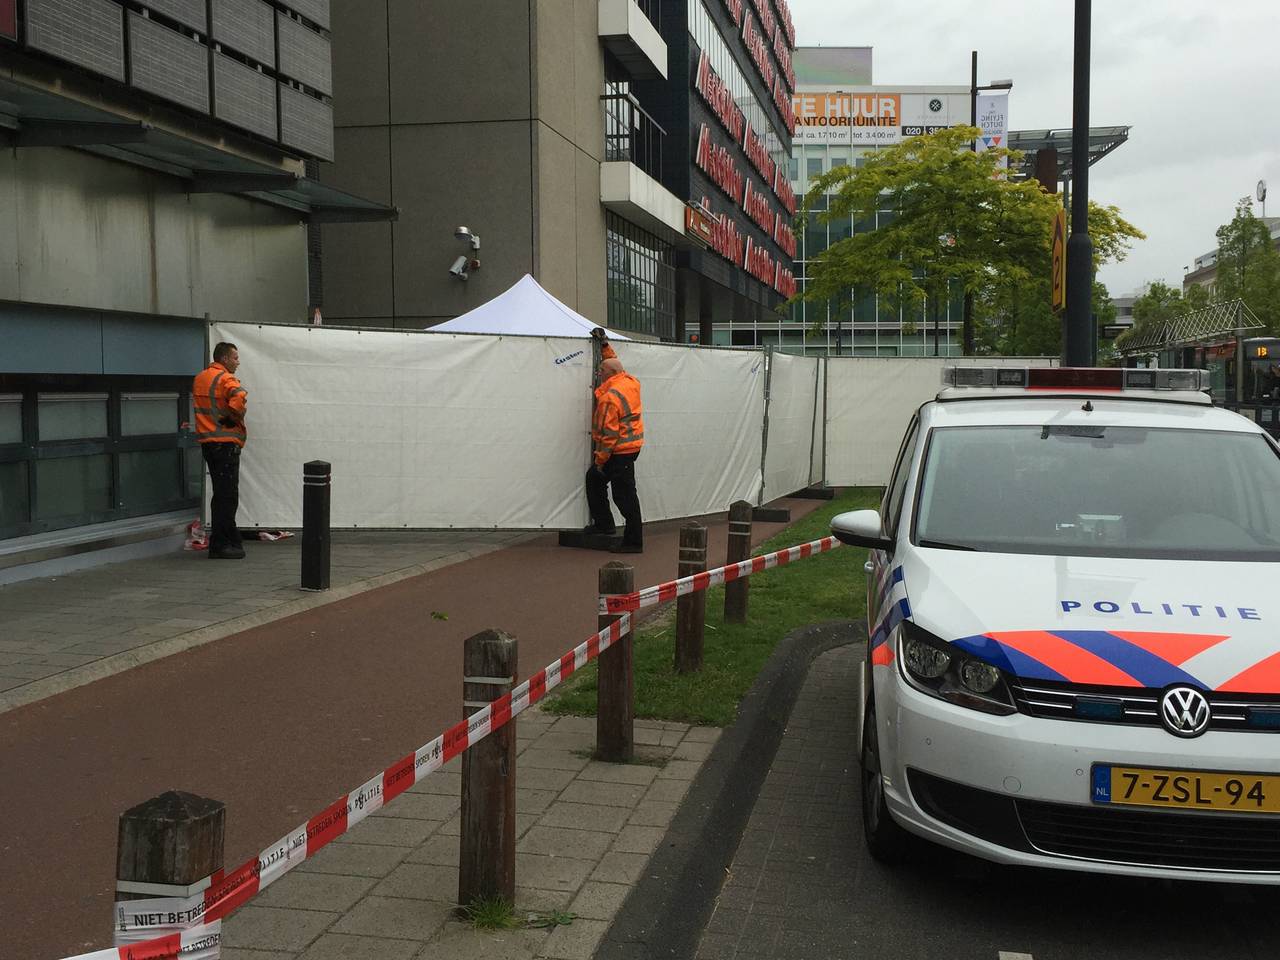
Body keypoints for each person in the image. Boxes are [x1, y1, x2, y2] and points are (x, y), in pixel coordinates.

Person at [586, 339, 645, 554]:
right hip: (630, 448)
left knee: (624, 495)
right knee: (595, 480)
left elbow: (608, 435)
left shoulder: (609, 398)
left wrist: (600, 461)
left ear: (609, 374)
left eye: (601, 370)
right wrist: (604, 347)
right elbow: (615, 363)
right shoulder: (630, 382)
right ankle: (605, 525)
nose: (599, 373)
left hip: (619, 451)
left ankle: (633, 542)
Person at [193, 342, 248, 559]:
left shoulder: (200, 378)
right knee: (227, 496)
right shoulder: (225, 378)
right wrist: (234, 416)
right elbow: (240, 395)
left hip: (209, 442)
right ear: (224, 359)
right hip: (226, 444)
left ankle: (227, 538)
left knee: (220, 494)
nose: (238, 362)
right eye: (235, 358)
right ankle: (222, 543)